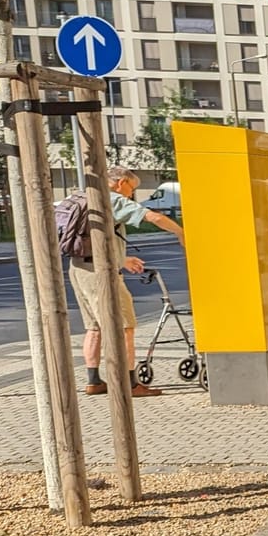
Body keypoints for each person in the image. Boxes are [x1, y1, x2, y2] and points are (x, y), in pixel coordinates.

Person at [70, 166, 183, 397]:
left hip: (78, 268)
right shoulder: (112, 200)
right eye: (132, 189)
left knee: (94, 327)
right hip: (100, 273)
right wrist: (182, 233)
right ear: (121, 183)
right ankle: (131, 385)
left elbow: (95, 239)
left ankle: (93, 381)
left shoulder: (85, 196)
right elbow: (154, 217)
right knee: (124, 328)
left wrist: (121, 259)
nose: (132, 195)